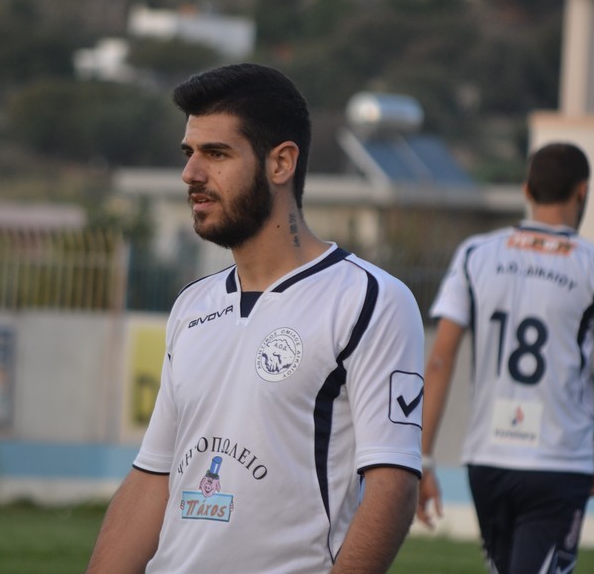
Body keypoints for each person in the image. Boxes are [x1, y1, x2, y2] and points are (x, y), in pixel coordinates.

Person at [86, 63, 425, 574]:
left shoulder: (369, 299)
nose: (191, 174)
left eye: (216, 154)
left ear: (281, 162)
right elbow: (152, 480)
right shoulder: (193, 306)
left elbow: (392, 487)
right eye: (189, 153)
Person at [416, 142, 594, 574]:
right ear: (582, 191)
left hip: (488, 460)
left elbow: (439, 361)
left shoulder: (475, 254)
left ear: (527, 190)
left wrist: (421, 459)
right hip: (558, 461)